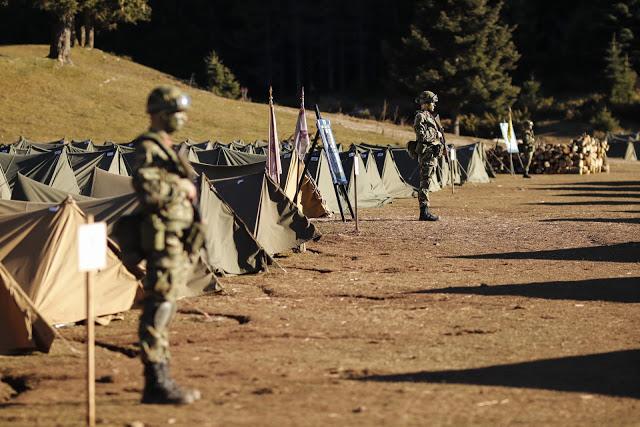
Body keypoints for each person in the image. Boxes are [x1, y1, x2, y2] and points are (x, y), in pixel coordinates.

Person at [132, 85, 202, 405]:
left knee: (167, 303)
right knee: (159, 306)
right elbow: (148, 189)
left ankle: (161, 376)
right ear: (159, 115)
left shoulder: (167, 148)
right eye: (176, 113)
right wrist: (182, 187)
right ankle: (156, 381)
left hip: (175, 239)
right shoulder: (148, 147)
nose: (182, 119)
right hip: (163, 240)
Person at [413, 90, 444, 221]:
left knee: (427, 181)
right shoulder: (421, 116)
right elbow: (421, 136)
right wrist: (436, 135)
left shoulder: (430, 116)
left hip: (431, 154)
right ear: (425, 103)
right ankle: (424, 212)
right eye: (432, 102)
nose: (434, 105)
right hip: (426, 154)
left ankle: (425, 211)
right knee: (425, 182)